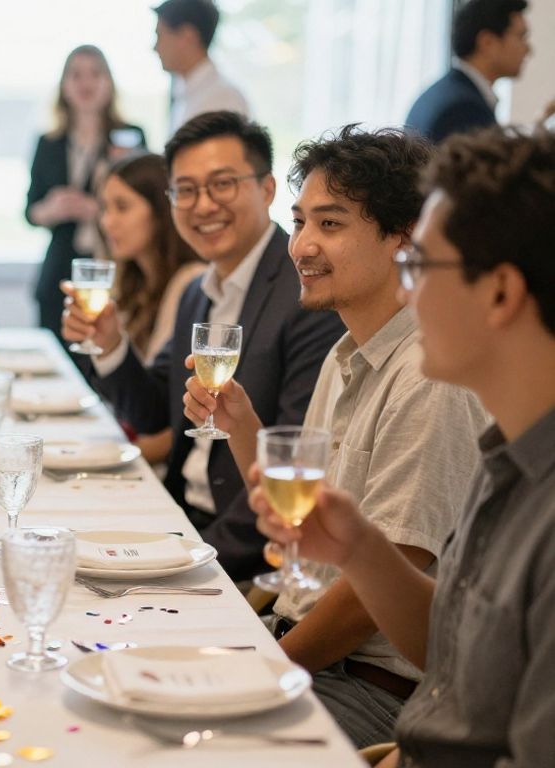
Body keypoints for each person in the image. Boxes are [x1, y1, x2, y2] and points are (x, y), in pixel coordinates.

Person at [252, 127, 555, 768]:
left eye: (422, 266)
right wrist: (359, 548)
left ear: (500, 292)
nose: (408, 292)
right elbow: (454, 661)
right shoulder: (511, 458)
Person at [181, 126, 487, 747]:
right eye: (298, 223)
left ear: (406, 241)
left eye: (331, 224)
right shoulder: (347, 353)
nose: (300, 246)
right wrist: (241, 426)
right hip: (305, 644)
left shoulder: (430, 374)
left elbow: (374, 590)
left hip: (368, 686)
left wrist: (271, 669)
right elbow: (310, 529)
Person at [62, 111, 344, 580]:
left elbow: (291, 461)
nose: (203, 205)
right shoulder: (199, 290)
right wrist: (111, 343)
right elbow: (155, 410)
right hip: (178, 518)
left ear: (268, 189)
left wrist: (191, 557)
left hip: (240, 548)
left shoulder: (305, 294)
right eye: (186, 191)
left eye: (223, 184)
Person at [86, 151, 205, 465]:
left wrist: (106, 457)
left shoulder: (189, 283)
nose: (106, 221)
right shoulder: (133, 280)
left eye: (122, 207)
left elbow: (169, 420)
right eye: (104, 208)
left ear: (161, 211)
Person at [27, 44, 147, 341]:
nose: (86, 83)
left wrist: (98, 208)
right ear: (64, 86)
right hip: (60, 267)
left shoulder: (130, 137)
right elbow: (30, 211)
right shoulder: (49, 143)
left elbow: (146, 203)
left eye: (95, 74)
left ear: (109, 83)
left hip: (114, 265)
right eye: (76, 75)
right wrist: (54, 209)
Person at [405, 0, 530, 144]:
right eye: (521, 37)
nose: (528, 49)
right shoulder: (463, 110)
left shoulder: (442, 92)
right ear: (487, 42)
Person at [153, 0, 250, 137]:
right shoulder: (187, 93)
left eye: (160, 35)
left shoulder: (223, 99)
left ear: (187, 37)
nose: (155, 48)